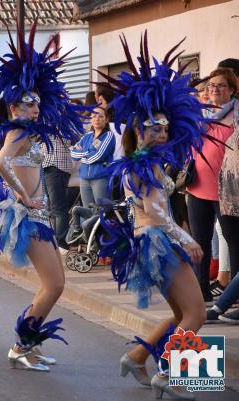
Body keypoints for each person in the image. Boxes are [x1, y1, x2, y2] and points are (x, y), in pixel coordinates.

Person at [98, 33, 208, 400]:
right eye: (153, 128)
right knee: (197, 315)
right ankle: (171, 376)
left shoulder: (140, 163)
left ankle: (136, 356)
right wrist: (189, 239)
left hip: (149, 244)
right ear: (137, 129)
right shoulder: (144, 167)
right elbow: (159, 215)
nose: (161, 133)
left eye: (164, 128)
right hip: (160, 241)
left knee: (181, 315)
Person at [0, 21, 85, 372]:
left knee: (56, 284)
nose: (34, 109)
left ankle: (29, 343)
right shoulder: (18, 130)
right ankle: (20, 345)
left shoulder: (26, 130)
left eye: (37, 104)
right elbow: (1, 161)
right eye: (28, 104)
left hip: (39, 214)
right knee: (54, 284)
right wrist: (24, 196)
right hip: (29, 216)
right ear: (13, 108)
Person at [186, 68, 238, 304]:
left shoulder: (237, 114)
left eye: (220, 86)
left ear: (232, 90)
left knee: (233, 239)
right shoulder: (199, 114)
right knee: (200, 240)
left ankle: (234, 296)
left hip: (229, 188)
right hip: (197, 186)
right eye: (211, 86)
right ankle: (201, 292)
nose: (214, 89)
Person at [71, 106, 115, 207]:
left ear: (106, 119)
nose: (97, 119)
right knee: (87, 213)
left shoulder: (108, 135)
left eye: (101, 116)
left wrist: (82, 153)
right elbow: (73, 154)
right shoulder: (87, 136)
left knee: (102, 213)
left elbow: (97, 156)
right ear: (90, 119)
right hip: (84, 180)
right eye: (94, 116)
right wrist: (88, 152)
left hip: (100, 178)